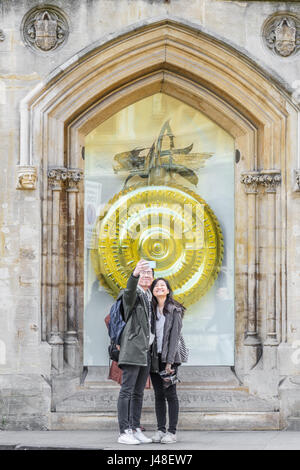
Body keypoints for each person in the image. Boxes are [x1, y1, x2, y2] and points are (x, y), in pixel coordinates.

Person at [116, 259, 156, 445]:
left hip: (145, 351)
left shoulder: (149, 297)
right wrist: (133, 274)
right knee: (127, 391)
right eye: (143, 273)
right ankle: (124, 431)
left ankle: (135, 428)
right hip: (132, 349)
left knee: (139, 392)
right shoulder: (131, 294)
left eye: (150, 274)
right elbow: (130, 291)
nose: (147, 276)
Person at [149, 277, 185, 444]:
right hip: (154, 358)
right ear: (153, 291)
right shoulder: (150, 309)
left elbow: (174, 338)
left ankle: (172, 431)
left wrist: (170, 363)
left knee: (170, 394)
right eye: (156, 286)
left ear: (168, 290)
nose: (159, 288)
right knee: (158, 395)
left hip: (169, 359)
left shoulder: (174, 310)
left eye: (163, 286)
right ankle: (160, 429)